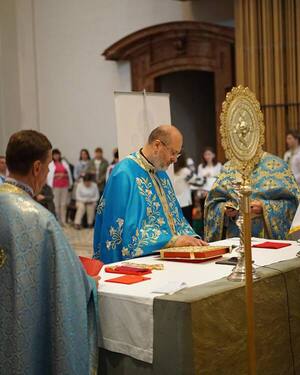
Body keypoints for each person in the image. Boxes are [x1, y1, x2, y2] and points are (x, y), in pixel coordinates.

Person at [0, 130, 98, 374]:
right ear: (36, 168)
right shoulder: (41, 221)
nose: (46, 175)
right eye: (46, 168)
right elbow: (69, 285)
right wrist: (90, 283)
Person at [94, 125, 207, 264]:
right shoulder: (124, 173)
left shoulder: (161, 174)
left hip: (165, 259)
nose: (175, 160)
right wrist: (173, 241)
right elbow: (119, 231)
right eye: (173, 153)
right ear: (157, 145)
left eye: (178, 154)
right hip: (135, 265)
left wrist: (191, 238)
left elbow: (176, 219)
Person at [205, 152, 300, 241]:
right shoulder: (228, 167)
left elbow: (294, 204)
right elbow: (212, 204)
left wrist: (264, 206)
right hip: (235, 239)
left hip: (267, 242)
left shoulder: (277, 165)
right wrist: (224, 209)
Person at [173, 152, 203, 225]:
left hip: (175, 202)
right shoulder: (185, 171)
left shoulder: (171, 171)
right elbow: (199, 181)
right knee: (188, 224)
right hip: (185, 202)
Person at [47, 148, 73, 225]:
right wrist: (57, 175)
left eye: (57, 154)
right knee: (56, 204)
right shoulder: (51, 164)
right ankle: (57, 221)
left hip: (64, 185)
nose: (56, 156)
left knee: (63, 204)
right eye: (54, 154)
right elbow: (49, 175)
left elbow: (68, 174)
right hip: (56, 186)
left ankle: (63, 221)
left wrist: (62, 175)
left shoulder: (64, 162)